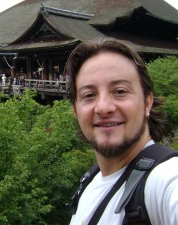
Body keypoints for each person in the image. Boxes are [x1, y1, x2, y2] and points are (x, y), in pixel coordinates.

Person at [66, 38, 178, 225]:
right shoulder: (90, 181)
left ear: (147, 102)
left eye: (120, 91)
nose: (103, 107)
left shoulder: (164, 179)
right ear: (76, 112)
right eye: (89, 95)